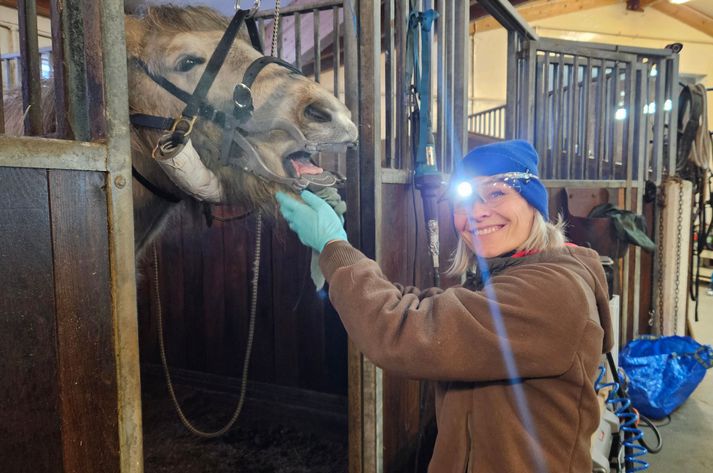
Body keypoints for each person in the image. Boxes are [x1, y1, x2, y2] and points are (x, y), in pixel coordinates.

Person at [276, 140, 613, 473]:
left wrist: (333, 246)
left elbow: (408, 331)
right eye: (463, 200)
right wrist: (341, 247)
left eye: (497, 193)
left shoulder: (553, 293)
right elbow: (424, 307)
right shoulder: (509, 277)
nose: (476, 212)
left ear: (532, 203)